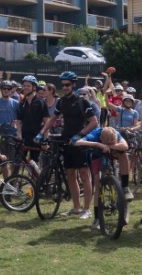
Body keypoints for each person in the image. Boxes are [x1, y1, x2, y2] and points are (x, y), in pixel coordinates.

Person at [39, 71, 98, 220]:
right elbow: (53, 118)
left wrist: (80, 134)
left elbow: (94, 122)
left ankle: (87, 209)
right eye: (63, 85)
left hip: (80, 142)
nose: (64, 87)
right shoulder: (62, 101)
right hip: (66, 141)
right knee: (70, 174)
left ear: (73, 85)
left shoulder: (82, 101)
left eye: (67, 85)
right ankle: (76, 207)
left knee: (84, 174)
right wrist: (42, 132)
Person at [75, 126, 129, 230]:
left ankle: (125, 186)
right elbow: (78, 142)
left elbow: (125, 146)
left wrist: (111, 146)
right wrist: (98, 144)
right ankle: (97, 218)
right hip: (97, 155)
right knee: (98, 185)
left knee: (124, 155)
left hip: (113, 152)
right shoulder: (96, 133)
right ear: (100, 137)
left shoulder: (115, 133)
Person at [16, 76, 49, 161]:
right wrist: (19, 134)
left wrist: (45, 139)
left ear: (34, 87)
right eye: (24, 86)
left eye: (28, 86)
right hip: (24, 137)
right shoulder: (22, 103)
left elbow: (46, 122)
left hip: (36, 137)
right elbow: (19, 121)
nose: (26, 88)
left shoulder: (41, 102)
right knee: (17, 162)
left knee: (34, 163)